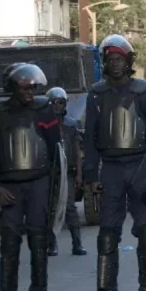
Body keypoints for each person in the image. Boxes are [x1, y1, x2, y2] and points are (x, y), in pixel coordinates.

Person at [84, 35, 146, 291]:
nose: (115, 63)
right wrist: (91, 176)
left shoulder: (144, 93)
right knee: (108, 232)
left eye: (120, 59)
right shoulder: (96, 94)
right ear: (105, 62)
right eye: (111, 59)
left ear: (129, 62)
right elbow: (90, 138)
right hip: (110, 169)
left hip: (140, 167)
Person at [0, 64, 61, 291]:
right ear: (12, 87)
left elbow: (56, 150)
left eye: (32, 87)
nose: (29, 92)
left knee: (39, 240)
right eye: (24, 87)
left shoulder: (44, 110)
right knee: (9, 243)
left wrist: (55, 188)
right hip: (9, 187)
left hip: (38, 184)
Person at [45, 87, 87, 257]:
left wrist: (79, 174)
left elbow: (76, 151)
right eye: (53, 102)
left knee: (70, 207)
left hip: (67, 172)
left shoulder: (71, 124)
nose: (57, 106)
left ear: (65, 104)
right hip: (49, 173)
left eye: (60, 102)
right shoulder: (43, 125)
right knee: (50, 208)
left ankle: (77, 243)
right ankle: (51, 244)